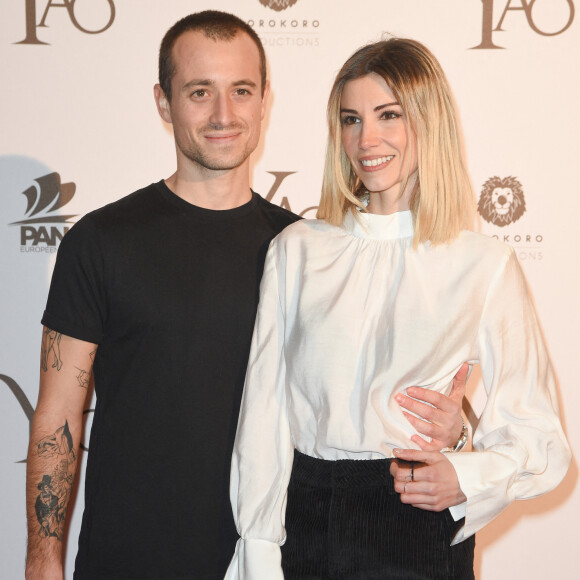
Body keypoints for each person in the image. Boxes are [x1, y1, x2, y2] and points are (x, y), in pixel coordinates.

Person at [24, 13, 466, 580]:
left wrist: (459, 431)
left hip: (279, 559)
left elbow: (364, 395)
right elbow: (57, 416)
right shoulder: (101, 241)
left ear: (264, 102)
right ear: (164, 103)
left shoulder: (309, 250)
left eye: (241, 91)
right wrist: (42, 565)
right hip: (127, 557)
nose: (223, 115)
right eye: (199, 92)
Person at [227, 38, 571, 579]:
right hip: (306, 523)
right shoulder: (298, 250)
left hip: (418, 529)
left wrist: (466, 475)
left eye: (389, 115)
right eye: (351, 119)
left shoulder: (484, 264)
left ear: (427, 121)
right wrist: (259, 546)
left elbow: (538, 439)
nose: (367, 139)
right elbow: (264, 418)